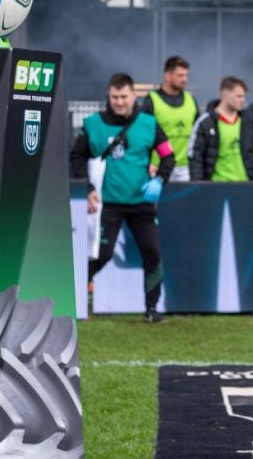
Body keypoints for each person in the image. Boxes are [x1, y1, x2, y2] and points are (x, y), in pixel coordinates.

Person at [72, 73, 176, 323]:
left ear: (133, 96)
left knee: (152, 252)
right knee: (102, 254)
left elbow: (168, 156)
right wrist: (87, 189)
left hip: (141, 202)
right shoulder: (93, 124)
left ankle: (152, 309)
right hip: (108, 203)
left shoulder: (149, 124)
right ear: (108, 96)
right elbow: (76, 157)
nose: (119, 102)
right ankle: (72, 298)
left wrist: (159, 180)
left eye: (124, 97)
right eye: (114, 97)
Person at [141, 56, 198, 183]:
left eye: (186, 75)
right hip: (158, 166)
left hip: (186, 168)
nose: (185, 79)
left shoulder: (191, 100)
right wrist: (148, 163)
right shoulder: (152, 100)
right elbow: (143, 135)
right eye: (180, 75)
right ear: (167, 75)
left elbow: (198, 136)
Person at [188, 76, 250, 182]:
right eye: (238, 96)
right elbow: (195, 156)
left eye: (243, 96)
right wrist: (198, 187)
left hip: (245, 185)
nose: (242, 100)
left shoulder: (247, 121)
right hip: (218, 186)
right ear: (224, 95)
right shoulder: (206, 122)